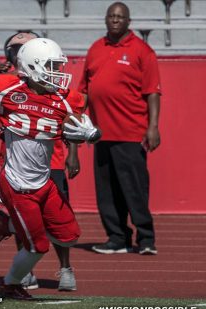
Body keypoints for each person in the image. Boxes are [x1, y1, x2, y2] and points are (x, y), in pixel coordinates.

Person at [0, 37, 102, 299]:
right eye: (53, 66)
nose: (59, 73)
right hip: (18, 181)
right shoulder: (8, 86)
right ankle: (10, 283)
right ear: (33, 66)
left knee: (69, 236)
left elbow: (78, 122)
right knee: (38, 246)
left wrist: (86, 133)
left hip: (44, 179)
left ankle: (8, 225)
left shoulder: (65, 98)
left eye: (59, 66)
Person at [78, 2, 161, 255]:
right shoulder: (95, 48)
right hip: (101, 133)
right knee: (107, 192)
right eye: (111, 16)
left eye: (120, 17)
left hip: (131, 131)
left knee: (133, 188)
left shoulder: (141, 51)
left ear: (128, 21)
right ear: (105, 19)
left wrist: (153, 127)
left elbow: (153, 93)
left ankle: (145, 239)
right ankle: (117, 238)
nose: (115, 20)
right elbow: (84, 89)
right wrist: (79, 121)